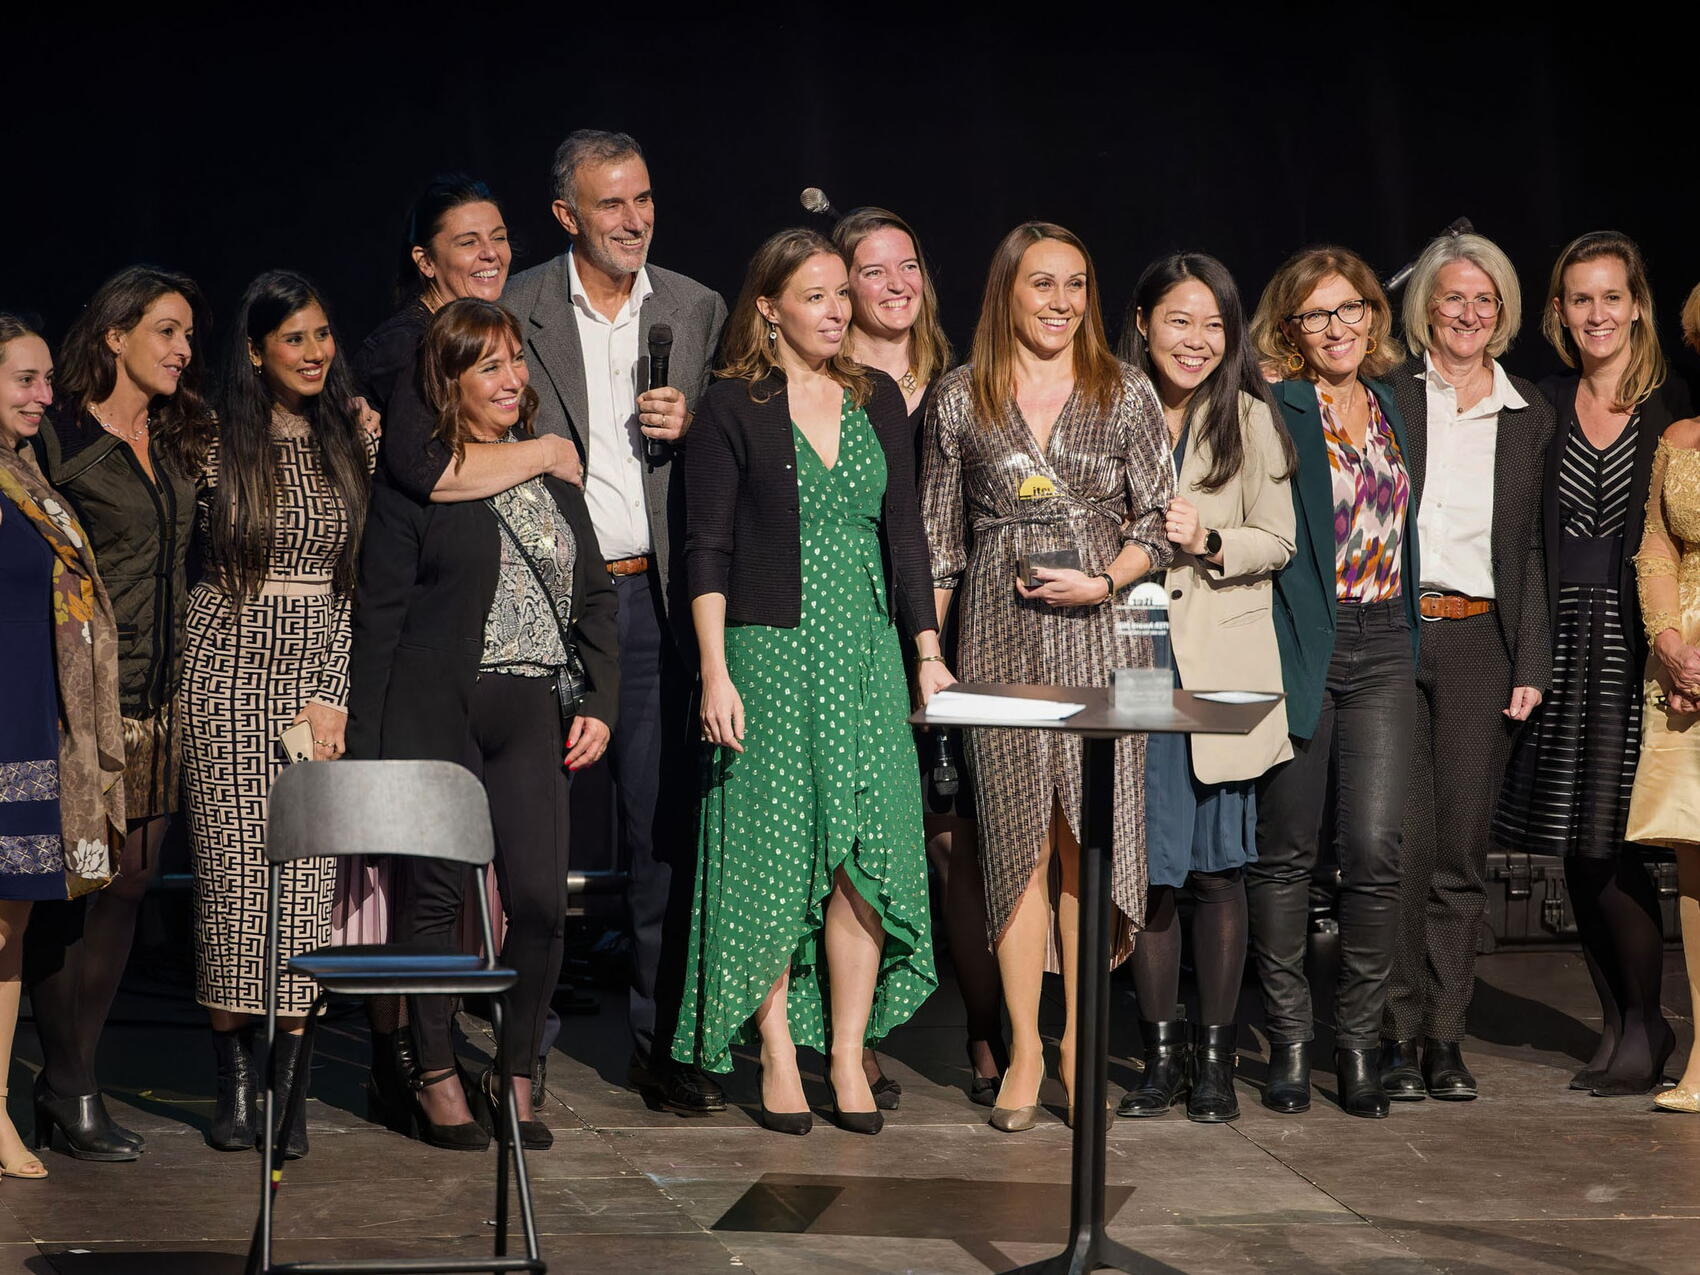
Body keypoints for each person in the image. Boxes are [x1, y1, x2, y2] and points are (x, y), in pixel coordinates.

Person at [380, 130, 727, 1117]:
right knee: (503, 865)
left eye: (644, 198)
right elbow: (438, 430)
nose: (634, 219)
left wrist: (694, 429)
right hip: (517, 608)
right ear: (568, 215)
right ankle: (496, 1052)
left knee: (660, 835)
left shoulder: (695, 308)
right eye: (611, 204)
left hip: (646, 601)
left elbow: (731, 457)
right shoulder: (513, 306)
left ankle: (661, 1045)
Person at [671, 227, 946, 1136]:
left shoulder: (875, 398)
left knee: (866, 855)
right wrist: (714, 671)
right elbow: (706, 547)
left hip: (865, 654)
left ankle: (848, 1051)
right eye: (815, 296)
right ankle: (780, 1050)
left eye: (840, 294)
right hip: (769, 656)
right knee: (778, 854)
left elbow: (905, 534)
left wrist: (926, 649)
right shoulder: (730, 406)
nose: (836, 311)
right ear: (769, 308)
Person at [347, 298, 617, 1150]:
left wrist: (601, 702)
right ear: (448, 382)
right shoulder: (419, 480)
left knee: (539, 901)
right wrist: (370, 748)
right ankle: (434, 1072)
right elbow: (380, 613)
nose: (511, 379)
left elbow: (596, 595)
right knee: (434, 897)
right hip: (438, 708)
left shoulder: (551, 472)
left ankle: (516, 1069)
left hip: (534, 709)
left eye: (514, 361)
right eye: (488, 366)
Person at [922, 221, 1174, 1133]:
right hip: (998, 638)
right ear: (1007, 291)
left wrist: (1105, 578)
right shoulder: (960, 397)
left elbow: (1160, 520)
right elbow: (939, 543)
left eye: (1076, 284)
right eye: (1042, 283)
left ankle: (1080, 1044)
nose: (1061, 302)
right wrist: (929, 653)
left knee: (1088, 841)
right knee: (1016, 842)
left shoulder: (1124, 389)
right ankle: (1026, 1046)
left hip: (1109, 638)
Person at [180, 271, 376, 1159]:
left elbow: (353, 587)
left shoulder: (352, 438)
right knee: (231, 884)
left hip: (314, 676)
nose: (313, 351)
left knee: (302, 887)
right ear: (256, 351)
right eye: (293, 338)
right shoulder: (211, 441)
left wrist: (333, 690)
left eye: (322, 334)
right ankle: (233, 1085)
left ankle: (288, 1092)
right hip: (224, 668)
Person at [346, 172, 527, 1126]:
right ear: (424, 259)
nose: (490, 253)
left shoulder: (489, 334)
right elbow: (428, 468)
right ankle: (413, 1061)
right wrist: (546, 454)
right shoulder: (400, 347)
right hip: (405, 633)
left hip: (485, 658)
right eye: (467, 240)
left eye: (499, 236)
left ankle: (428, 1054)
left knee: (458, 880)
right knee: (407, 874)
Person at [1496, 232, 1692, 1096]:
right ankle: (1616, 1021)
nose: (1598, 313)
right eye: (1581, 298)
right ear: (1559, 311)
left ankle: (1649, 1022)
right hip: (1560, 638)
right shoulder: (1542, 402)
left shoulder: (1670, 405)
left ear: (1638, 305)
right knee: (1571, 850)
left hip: (1633, 640)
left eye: (1612, 296)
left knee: (1611, 845)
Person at [26, 265, 208, 1160]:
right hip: (85, 698)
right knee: (75, 890)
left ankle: (73, 1076)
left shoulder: (179, 435)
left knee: (131, 886)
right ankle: (68, 1085)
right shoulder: (61, 438)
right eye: (167, 331)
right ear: (115, 335)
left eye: (188, 335)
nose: (183, 349)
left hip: (161, 700)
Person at [1114, 254, 1296, 1124]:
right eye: (1179, 320)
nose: (1196, 340)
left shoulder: (1249, 417)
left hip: (1220, 666)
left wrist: (1212, 540)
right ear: (1142, 322)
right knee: (1151, 873)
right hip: (1135, 662)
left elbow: (1279, 540)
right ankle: (1160, 1057)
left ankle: (1216, 1060)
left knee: (1219, 871)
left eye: (1214, 324)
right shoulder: (1103, 406)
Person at [1374, 233, 1556, 1102]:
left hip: (1483, 641)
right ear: (1427, 307)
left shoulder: (1529, 414)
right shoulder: (1390, 393)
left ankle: (1445, 1034)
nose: (1469, 313)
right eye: (1453, 296)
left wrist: (1533, 657)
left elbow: (1533, 549)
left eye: (1485, 299)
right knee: (1401, 847)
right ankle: (1395, 1030)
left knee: (1460, 848)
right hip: (1394, 631)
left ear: (1504, 312)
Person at [834, 205, 1003, 1108]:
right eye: (873, 270)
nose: (897, 284)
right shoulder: (821, 384)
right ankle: (850, 1040)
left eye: (909, 265)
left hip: (961, 635)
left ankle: (987, 1027)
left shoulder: (963, 383)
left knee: (955, 842)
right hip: (859, 633)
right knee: (855, 842)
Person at [1246, 246, 1419, 1120]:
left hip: (1384, 637)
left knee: (1376, 851)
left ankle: (1357, 1044)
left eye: (1350, 308)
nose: (1337, 327)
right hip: (1303, 641)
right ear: (1291, 329)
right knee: (1286, 850)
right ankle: (1289, 1041)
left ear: (1372, 315)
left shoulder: (1390, 404)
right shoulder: (1275, 406)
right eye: (1316, 315)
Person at [0, 316, 124, 1179]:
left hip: (29, 723)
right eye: (26, 379)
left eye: (47, 379)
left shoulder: (26, 476)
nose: (45, 395)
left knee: (10, 920)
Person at [1629, 281, 1700, 1113]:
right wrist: (1669, 642)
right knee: (1696, 859)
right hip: (1686, 672)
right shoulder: (1680, 439)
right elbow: (1656, 545)